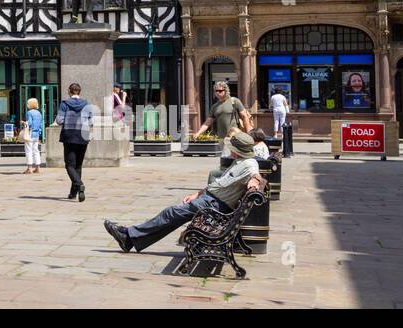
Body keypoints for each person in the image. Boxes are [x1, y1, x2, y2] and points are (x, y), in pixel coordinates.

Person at [104, 131, 263, 253]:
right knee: (172, 215)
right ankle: (130, 238)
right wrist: (198, 194)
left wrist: (254, 182)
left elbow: (256, 176)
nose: (230, 151)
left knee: (170, 213)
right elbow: (218, 185)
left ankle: (128, 236)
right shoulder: (240, 161)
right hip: (210, 200)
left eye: (232, 148)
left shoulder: (249, 164)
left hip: (214, 206)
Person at [57, 83, 93, 201]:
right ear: (79, 91)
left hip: (69, 136)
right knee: (78, 165)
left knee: (69, 165)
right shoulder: (86, 104)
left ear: (69, 91)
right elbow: (91, 121)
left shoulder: (65, 104)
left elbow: (59, 120)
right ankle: (73, 193)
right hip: (83, 136)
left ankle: (79, 184)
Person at [197, 81, 251, 154]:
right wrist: (198, 133)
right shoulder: (215, 106)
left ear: (226, 91)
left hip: (235, 137)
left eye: (220, 91)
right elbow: (207, 123)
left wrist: (249, 132)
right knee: (224, 160)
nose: (217, 93)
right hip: (222, 139)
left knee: (235, 158)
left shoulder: (234, 101)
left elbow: (244, 116)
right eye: (216, 91)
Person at [22, 97, 45, 174]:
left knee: (28, 150)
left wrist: (24, 123)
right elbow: (41, 124)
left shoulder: (29, 112)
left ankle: (29, 168)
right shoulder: (39, 113)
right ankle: (38, 168)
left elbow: (30, 123)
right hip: (37, 133)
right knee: (36, 150)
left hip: (30, 133)